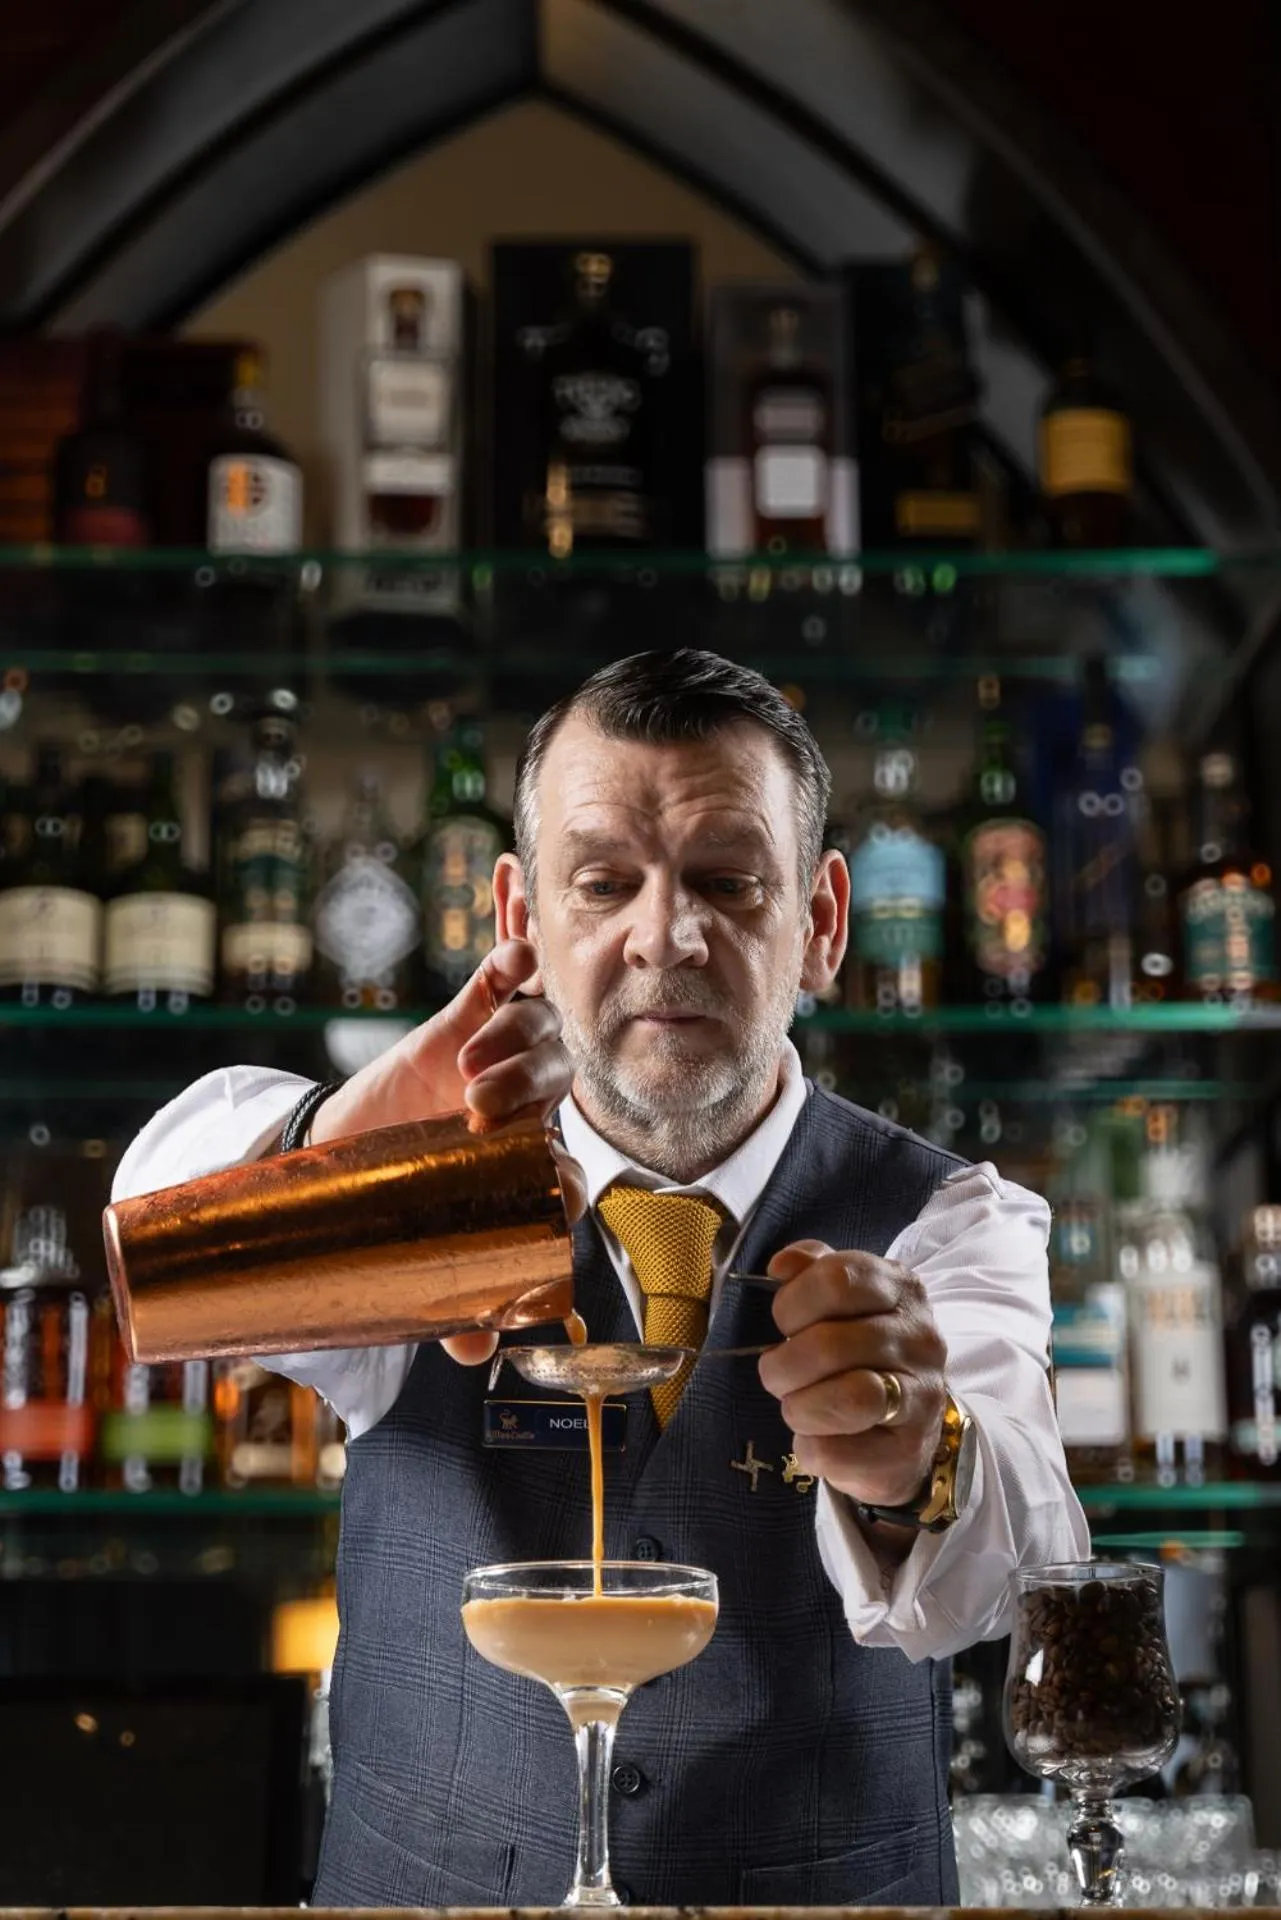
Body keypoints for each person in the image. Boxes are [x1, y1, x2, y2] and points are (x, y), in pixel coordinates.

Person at [114, 648, 1089, 1907]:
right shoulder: (417, 1189)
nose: (663, 936)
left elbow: (1032, 1563)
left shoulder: (946, 1221)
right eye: (603, 882)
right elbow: (145, 1233)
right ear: (518, 918)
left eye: (728, 883)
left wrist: (919, 1451)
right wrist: (344, 1150)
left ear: (823, 924)